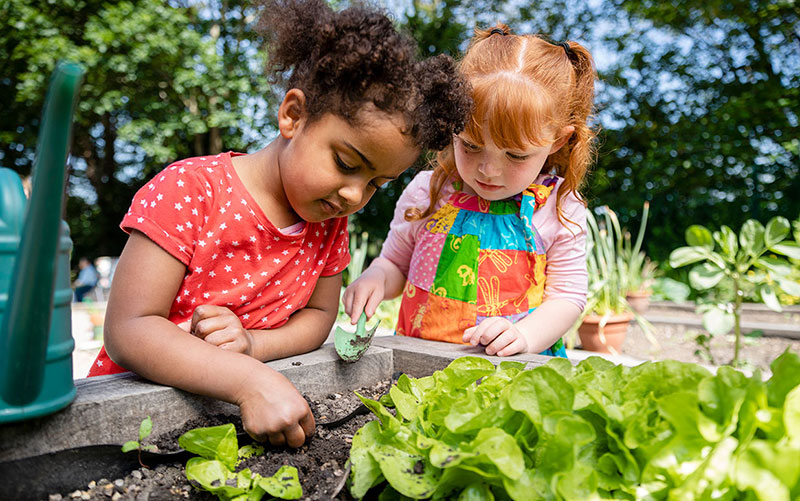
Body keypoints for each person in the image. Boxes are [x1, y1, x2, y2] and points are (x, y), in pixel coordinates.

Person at [87, 0, 470, 450]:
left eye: (376, 184)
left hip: (230, 423)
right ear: (293, 115)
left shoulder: (329, 223)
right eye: (347, 162)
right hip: (128, 426)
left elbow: (319, 316)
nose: (354, 196)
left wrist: (252, 345)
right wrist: (249, 381)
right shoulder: (191, 190)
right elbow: (129, 329)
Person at [344, 24, 596, 359]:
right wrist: (376, 277)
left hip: (512, 372)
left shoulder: (557, 206)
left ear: (558, 141)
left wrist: (524, 335)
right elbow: (395, 264)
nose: (488, 170)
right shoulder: (427, 191)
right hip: (416, 368)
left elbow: (568, 297)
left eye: (516, 155)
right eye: (471, 146)